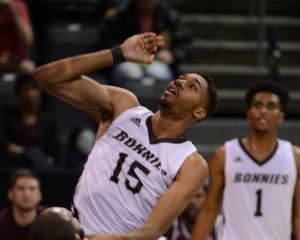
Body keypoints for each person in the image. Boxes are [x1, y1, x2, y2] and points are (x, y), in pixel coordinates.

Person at [32, 32, 218, 239]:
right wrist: (118, 53)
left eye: (192, 86)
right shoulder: (124, 106)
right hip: (80, 230)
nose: (180, 82)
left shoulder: (191, 163)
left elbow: (153, 230)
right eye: (180, 78)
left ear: (199, 112)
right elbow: (45, 78)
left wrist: (113, 238)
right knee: (50, 220)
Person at [190, 81, 300, 240]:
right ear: (248, 113)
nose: (263, 111)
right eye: (258, 105)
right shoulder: (224, 154)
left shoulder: (295, 157)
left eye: (271, 106)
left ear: (281, 116)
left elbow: (298, 217)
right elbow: (209, 210)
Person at [100, 0, 192, 86]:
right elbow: (106, 41)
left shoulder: (169, 15)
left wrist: (172, 54)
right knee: (131, 74)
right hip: (127, 60)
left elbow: (184, 42)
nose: (147, 2)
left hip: (157, 60)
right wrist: (123, 52)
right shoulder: (120, 13)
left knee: (159, 74)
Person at [0, 74, 57, 169]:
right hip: (11, 165)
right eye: (25, 89)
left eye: (35, 89)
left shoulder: (47, 120)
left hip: (37, 166)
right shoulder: (7, 115)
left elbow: (51, 152)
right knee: (33, 152)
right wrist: (22, 152)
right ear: (18, 93)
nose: (31, 94)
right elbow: (4, 144)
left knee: (35, 153)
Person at [0, 168, 46, 240]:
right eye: (21, 188)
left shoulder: (50, 220)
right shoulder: (1, 221)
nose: (26, 194)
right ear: (10, 194)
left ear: (39, 195)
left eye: (32, 189)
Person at [0, 0, 35, 74]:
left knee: (28, 67)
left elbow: (27, 41)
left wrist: (13, 11)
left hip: (15, 60)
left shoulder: (18, 5)